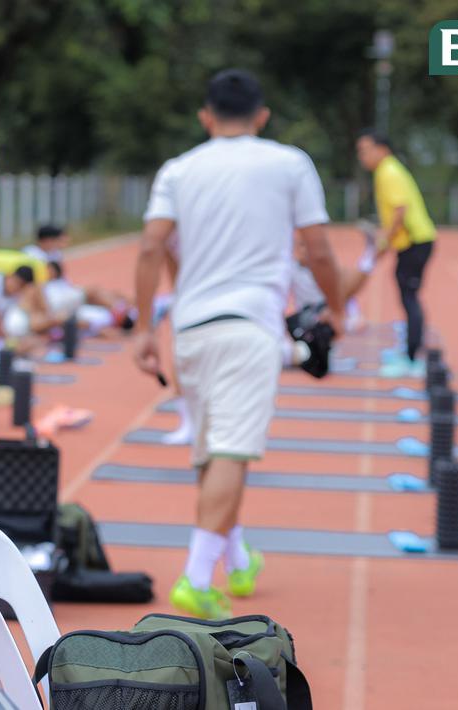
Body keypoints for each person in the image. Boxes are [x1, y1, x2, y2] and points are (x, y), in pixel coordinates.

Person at [133, 69, 344, 620]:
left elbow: (151, 248)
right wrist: (337, 305)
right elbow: (317, 247)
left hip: (191, 328)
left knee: (213, 453)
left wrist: (140, 328)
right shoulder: (288, 162)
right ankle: (196, 578)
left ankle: (238, 557)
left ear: (206, 117)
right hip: (249, 325)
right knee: (231, 450)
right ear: (262, 115)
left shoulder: (179, 169)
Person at [356, 130, 438, 378]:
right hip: (410, 243)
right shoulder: (387, 170)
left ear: (382, 149)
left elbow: (400, 211)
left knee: (410, 297)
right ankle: (409, 351)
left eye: (365, 150)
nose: (362, 156)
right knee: (406, 295)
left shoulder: (388, 171)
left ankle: (413, 359)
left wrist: (383, 242)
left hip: (417, 241)